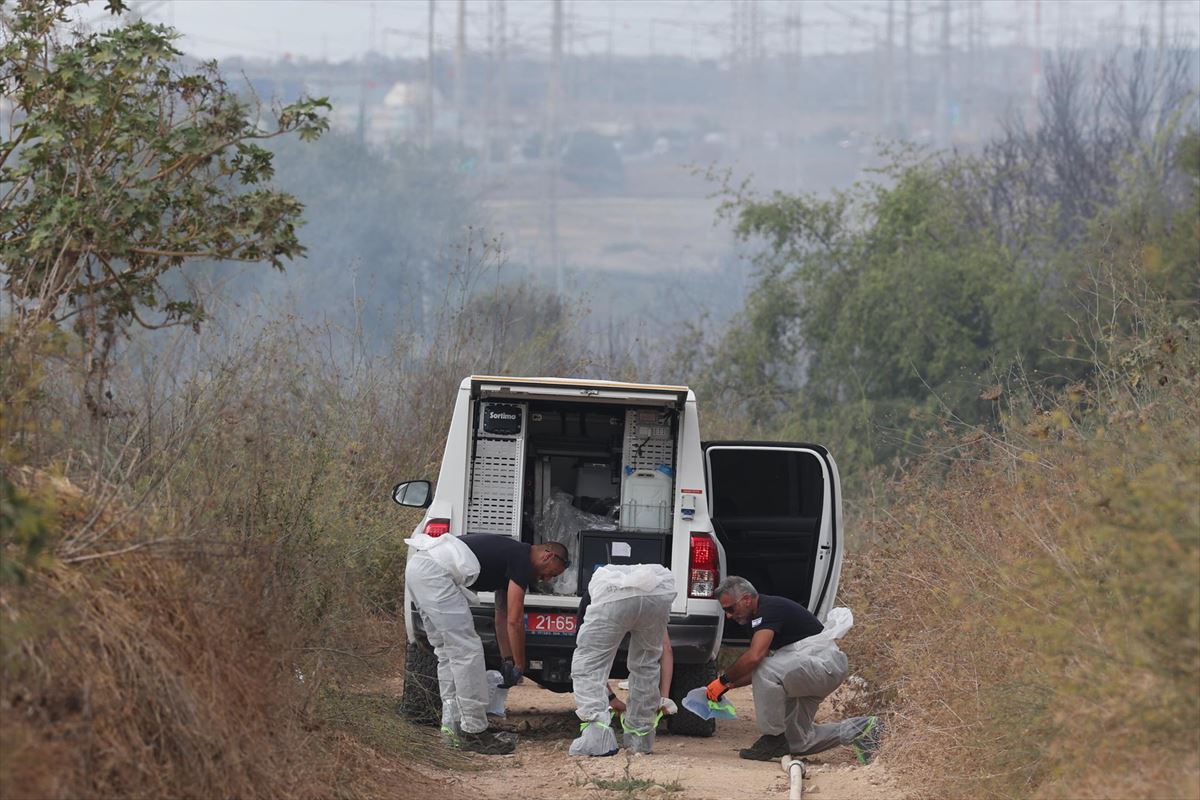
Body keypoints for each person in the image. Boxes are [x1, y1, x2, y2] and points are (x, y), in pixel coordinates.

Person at [404, 530, 569, 755]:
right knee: (467, 650)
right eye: (551, 574)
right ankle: (474, 731)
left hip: (419, 568)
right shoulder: (522, 558)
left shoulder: (511, 559)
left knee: (448, 651)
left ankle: (452, 727)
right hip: (435, 574)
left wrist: (508, 659)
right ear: (547, 556)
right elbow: (515, 620)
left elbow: (501, 618)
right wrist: (520, 665)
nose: (546, 579)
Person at [708, 576, 884, 763]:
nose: (728, 615)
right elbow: (761, 669)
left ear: (746, 599)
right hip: (806, 670)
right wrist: (729, 685)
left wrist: (723, 680)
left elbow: (755, 658)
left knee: (767, 671)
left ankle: (772, 739)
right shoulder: (755, 620)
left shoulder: (769, 609)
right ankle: (862, 728)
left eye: (730, 608)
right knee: (797, 742)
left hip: (824, 665)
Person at [569, 563, 675, 756]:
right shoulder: (646, 586)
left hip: (613, 597)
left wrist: (610, 698)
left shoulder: (596, 592)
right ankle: (640, 740)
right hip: (658, 593)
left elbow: (592, 663)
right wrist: (663, 697)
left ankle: (597, 739)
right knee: (646, 664)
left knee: (587, 663)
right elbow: (664, 648)